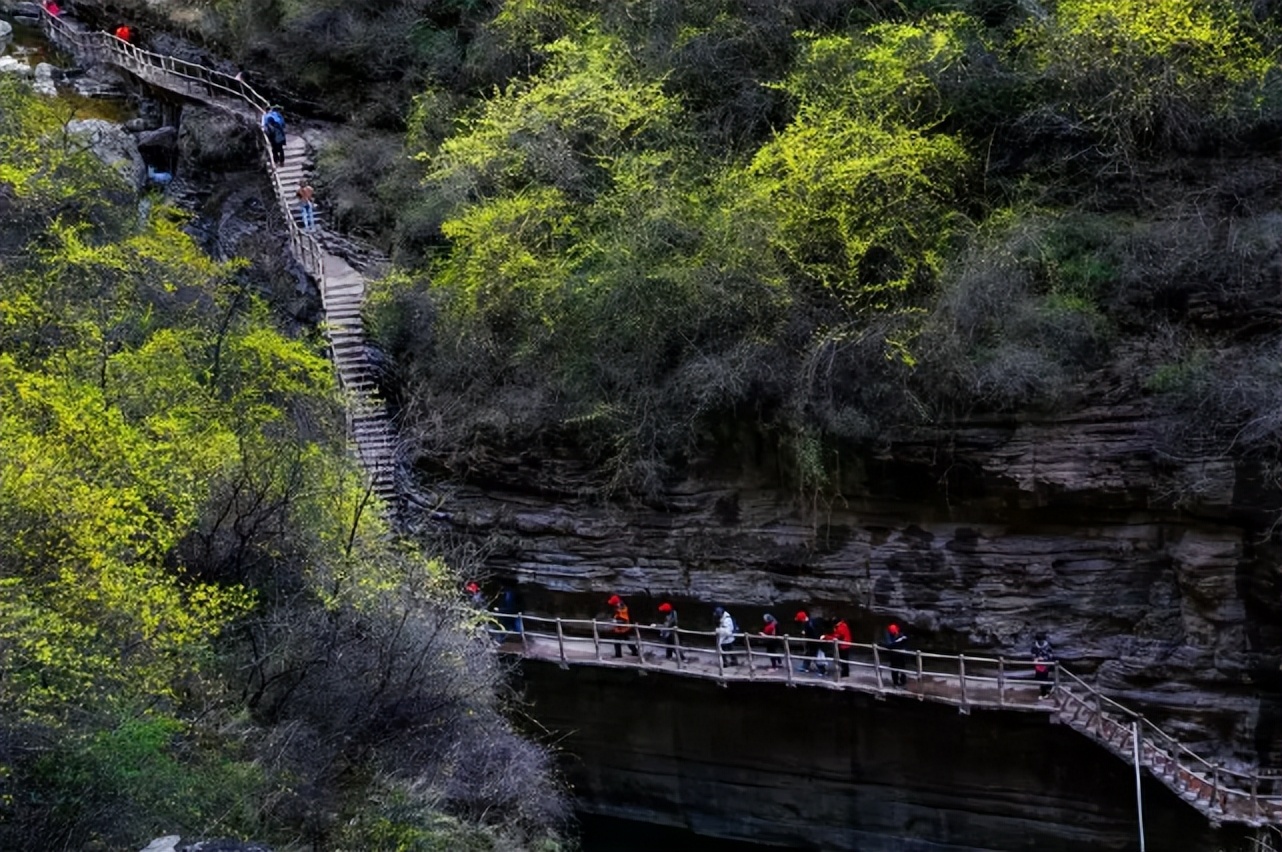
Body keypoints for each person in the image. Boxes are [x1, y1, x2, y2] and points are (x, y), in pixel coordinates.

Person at [608, 594, 638, 659]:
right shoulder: (620, 606)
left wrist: (616, 620)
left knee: (617, 641)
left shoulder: (622, 608)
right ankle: (635, 651)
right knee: (626, 639)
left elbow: (623, 618)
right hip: (622, 627)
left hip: (623, 627)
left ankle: (618, 654)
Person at [882, 622, 909, 687]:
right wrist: (897, 642)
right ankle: (896, 683)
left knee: (902, 669)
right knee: (894, 670)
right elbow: (889, 645)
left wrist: (897, 642)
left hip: (901, 655)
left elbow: (904, 641)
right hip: (894, 656)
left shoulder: (902, 635)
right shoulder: (889, 636)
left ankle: (903, 682)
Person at [1032, 632, 1055, 699]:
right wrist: (1035, 658)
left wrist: (1043, 658)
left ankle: (1044, 693)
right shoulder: (1034, 645)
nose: (1040, 642)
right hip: (1038, 665)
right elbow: (1033, 653)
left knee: (1043, 679)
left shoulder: (1048, 646)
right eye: (1039, 641)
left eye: (1041, 640)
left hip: (1046, 665)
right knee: (1038, 678)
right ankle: (1048, 688)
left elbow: (1050, 655)